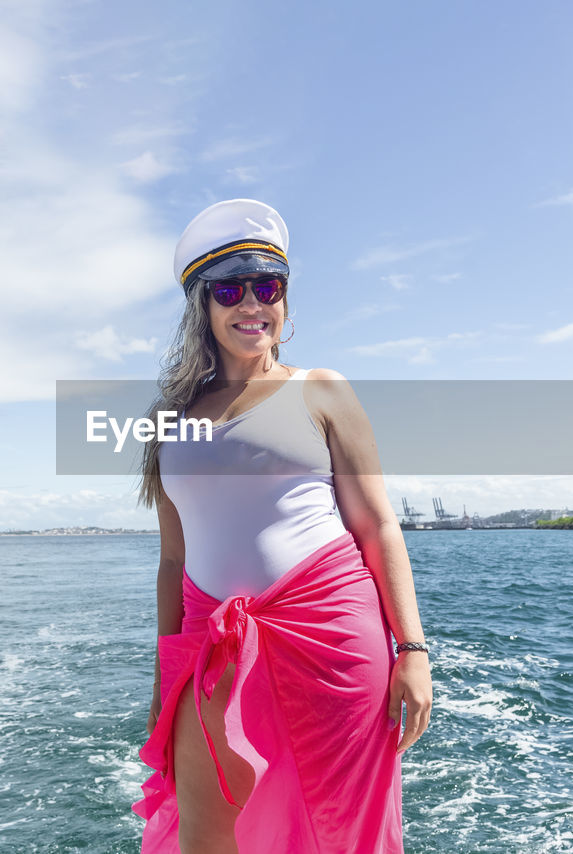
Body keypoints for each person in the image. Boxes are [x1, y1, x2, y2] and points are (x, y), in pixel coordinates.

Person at [132, 199, 432, 853]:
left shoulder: (322, 390)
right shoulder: (166, 421)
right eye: (231, 290)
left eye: (267, 288)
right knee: (206, 836)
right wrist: (163, 684)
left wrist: (412, 650)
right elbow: (173, 563)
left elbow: (378, 525)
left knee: (343, 831)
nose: (252, 306)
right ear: (202, 307)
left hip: (331, 640)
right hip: (212, 647)